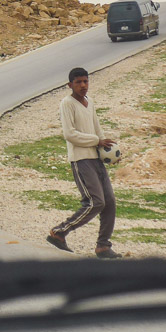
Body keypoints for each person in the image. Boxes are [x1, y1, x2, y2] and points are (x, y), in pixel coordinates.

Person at [46, 67, 120, 259]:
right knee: (95, 202)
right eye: (78, 82)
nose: (83, 86)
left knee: (109, 202)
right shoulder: (67, 104)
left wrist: (107, 151)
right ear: (70, 85)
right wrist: (96, 141)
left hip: (96, 159)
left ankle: (103, 246)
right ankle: (59, 231)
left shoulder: (90, 102)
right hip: (81, 159)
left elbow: (97, 129)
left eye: (85, 81)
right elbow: (70, 134)